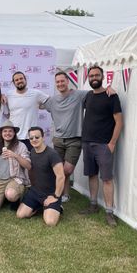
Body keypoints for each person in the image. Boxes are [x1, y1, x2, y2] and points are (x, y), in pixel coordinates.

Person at [43, 70, 116, 203]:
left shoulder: (80, 95)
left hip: (75, 139)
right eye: (57, 82)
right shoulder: (52, 101)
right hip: (58, 139)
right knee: (59, 169)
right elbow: (36, 102)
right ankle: (63, 195)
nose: (60, 84)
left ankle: (61, 192)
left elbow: (96, 92)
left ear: (67, 81)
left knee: (67, 169)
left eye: (62, 81)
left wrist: (109, 88)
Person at [79, 65, 123, 227]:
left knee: (107, 179)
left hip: (104, 144)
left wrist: (112, 143)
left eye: (97, 75)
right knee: (91, 175)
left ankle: (109, 212)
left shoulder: (111, 96)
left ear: (103, 77)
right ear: (88, 78)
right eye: (91, 76)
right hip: (87, 142)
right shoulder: (88, 96)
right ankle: (93, 205)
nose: (94, 78)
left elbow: (119, 122)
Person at [16, 127, 65, 226]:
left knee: (50, 222)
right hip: (35, 192)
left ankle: (58, 207)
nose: (34, 140)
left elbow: (61, 177)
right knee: (20, 215)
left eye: (37, 137)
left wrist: (55, 196)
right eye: (31, 138)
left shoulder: (52, 154)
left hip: (51, 193)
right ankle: (40, 206)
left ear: (43, 138)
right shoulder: (32, 152)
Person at [0, 120, 30, 213]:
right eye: (5, 131)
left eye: (10, 131)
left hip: (15, 179)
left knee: (11, 195)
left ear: (14, 133)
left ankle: (15, 197)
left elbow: (28, 166)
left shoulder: (21, 146)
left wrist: (15, 156)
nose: (7, 133)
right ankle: (4, 197)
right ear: (1, 133)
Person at [6, 71, 49, 151]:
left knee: (30, 162)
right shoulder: (9, 95)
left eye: (21, 78)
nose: (19, 81)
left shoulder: (36, 94)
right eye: (16, 80)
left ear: (25, 79)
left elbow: (50, 102)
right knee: (13, 162)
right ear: (14, 83)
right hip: (13, 137)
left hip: (30, 137)